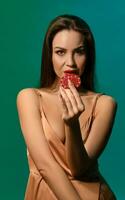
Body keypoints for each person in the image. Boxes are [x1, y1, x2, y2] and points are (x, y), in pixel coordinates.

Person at [16, 14, 117, 200]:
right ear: (49, 55)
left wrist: (72, 124)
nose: (70, 63)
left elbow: (79, 169)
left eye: (79, 52)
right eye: (60, 52)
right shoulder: (29, 98)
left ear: (89, 55)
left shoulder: (105, 104)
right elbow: (45, 165)